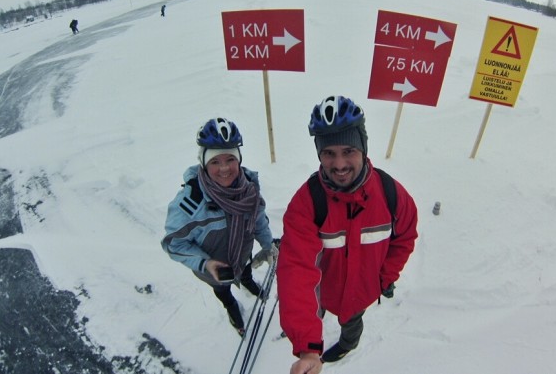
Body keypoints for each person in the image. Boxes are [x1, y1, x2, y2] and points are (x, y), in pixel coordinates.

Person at [277, 95, 419, 373]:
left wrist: (382, 280)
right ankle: (319, 340)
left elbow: (404, 238)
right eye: (329, 153)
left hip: (362, 294)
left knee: (352, 327)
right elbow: (296, 270)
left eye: (348, 151)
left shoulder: (392, 194)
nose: (339, 164)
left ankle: (347, 345)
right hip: (323, 294)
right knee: (313, 315)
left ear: (363, 148)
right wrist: (307, 348)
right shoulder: (307, 203)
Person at [162, 117, 278, 335]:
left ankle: (248, 282)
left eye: (230, 159)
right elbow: (174, 244)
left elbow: (259, 217)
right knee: (223, 290)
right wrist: (206, 264)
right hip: (214, 271)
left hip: (242, 253)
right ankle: (232, 308)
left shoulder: (249, 188)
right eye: (215, 162)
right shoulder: (191, 203)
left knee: (244, 269)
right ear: (204, 163)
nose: (224, 168)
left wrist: (266, 244)